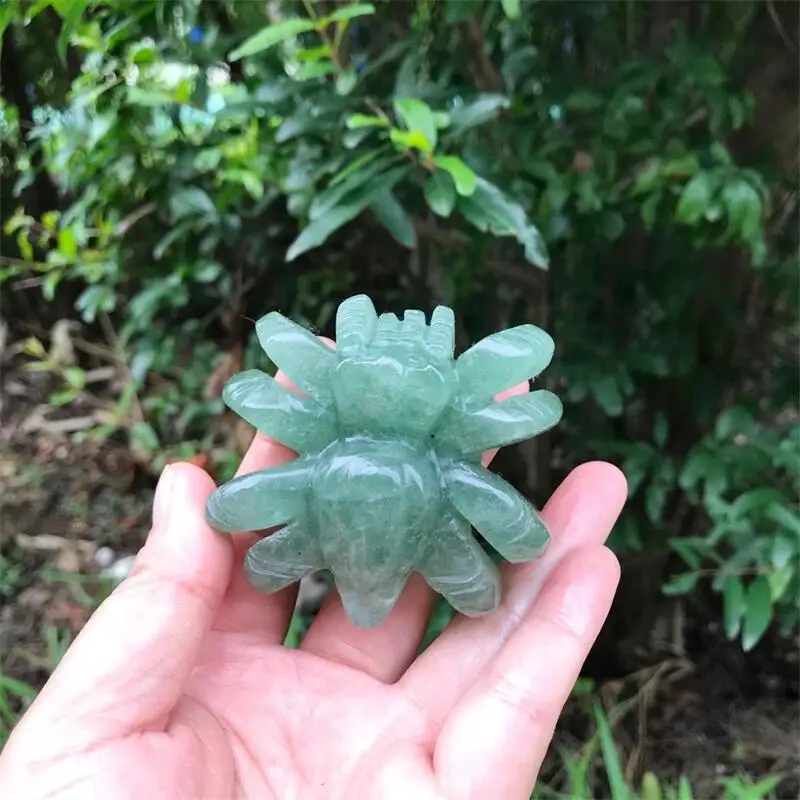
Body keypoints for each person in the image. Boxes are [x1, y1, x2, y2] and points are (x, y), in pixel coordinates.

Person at [0, 368, 626, 800]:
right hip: (366, 528)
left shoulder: (425, 461)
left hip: (386, 526)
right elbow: (522, 528)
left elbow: (524, 531)